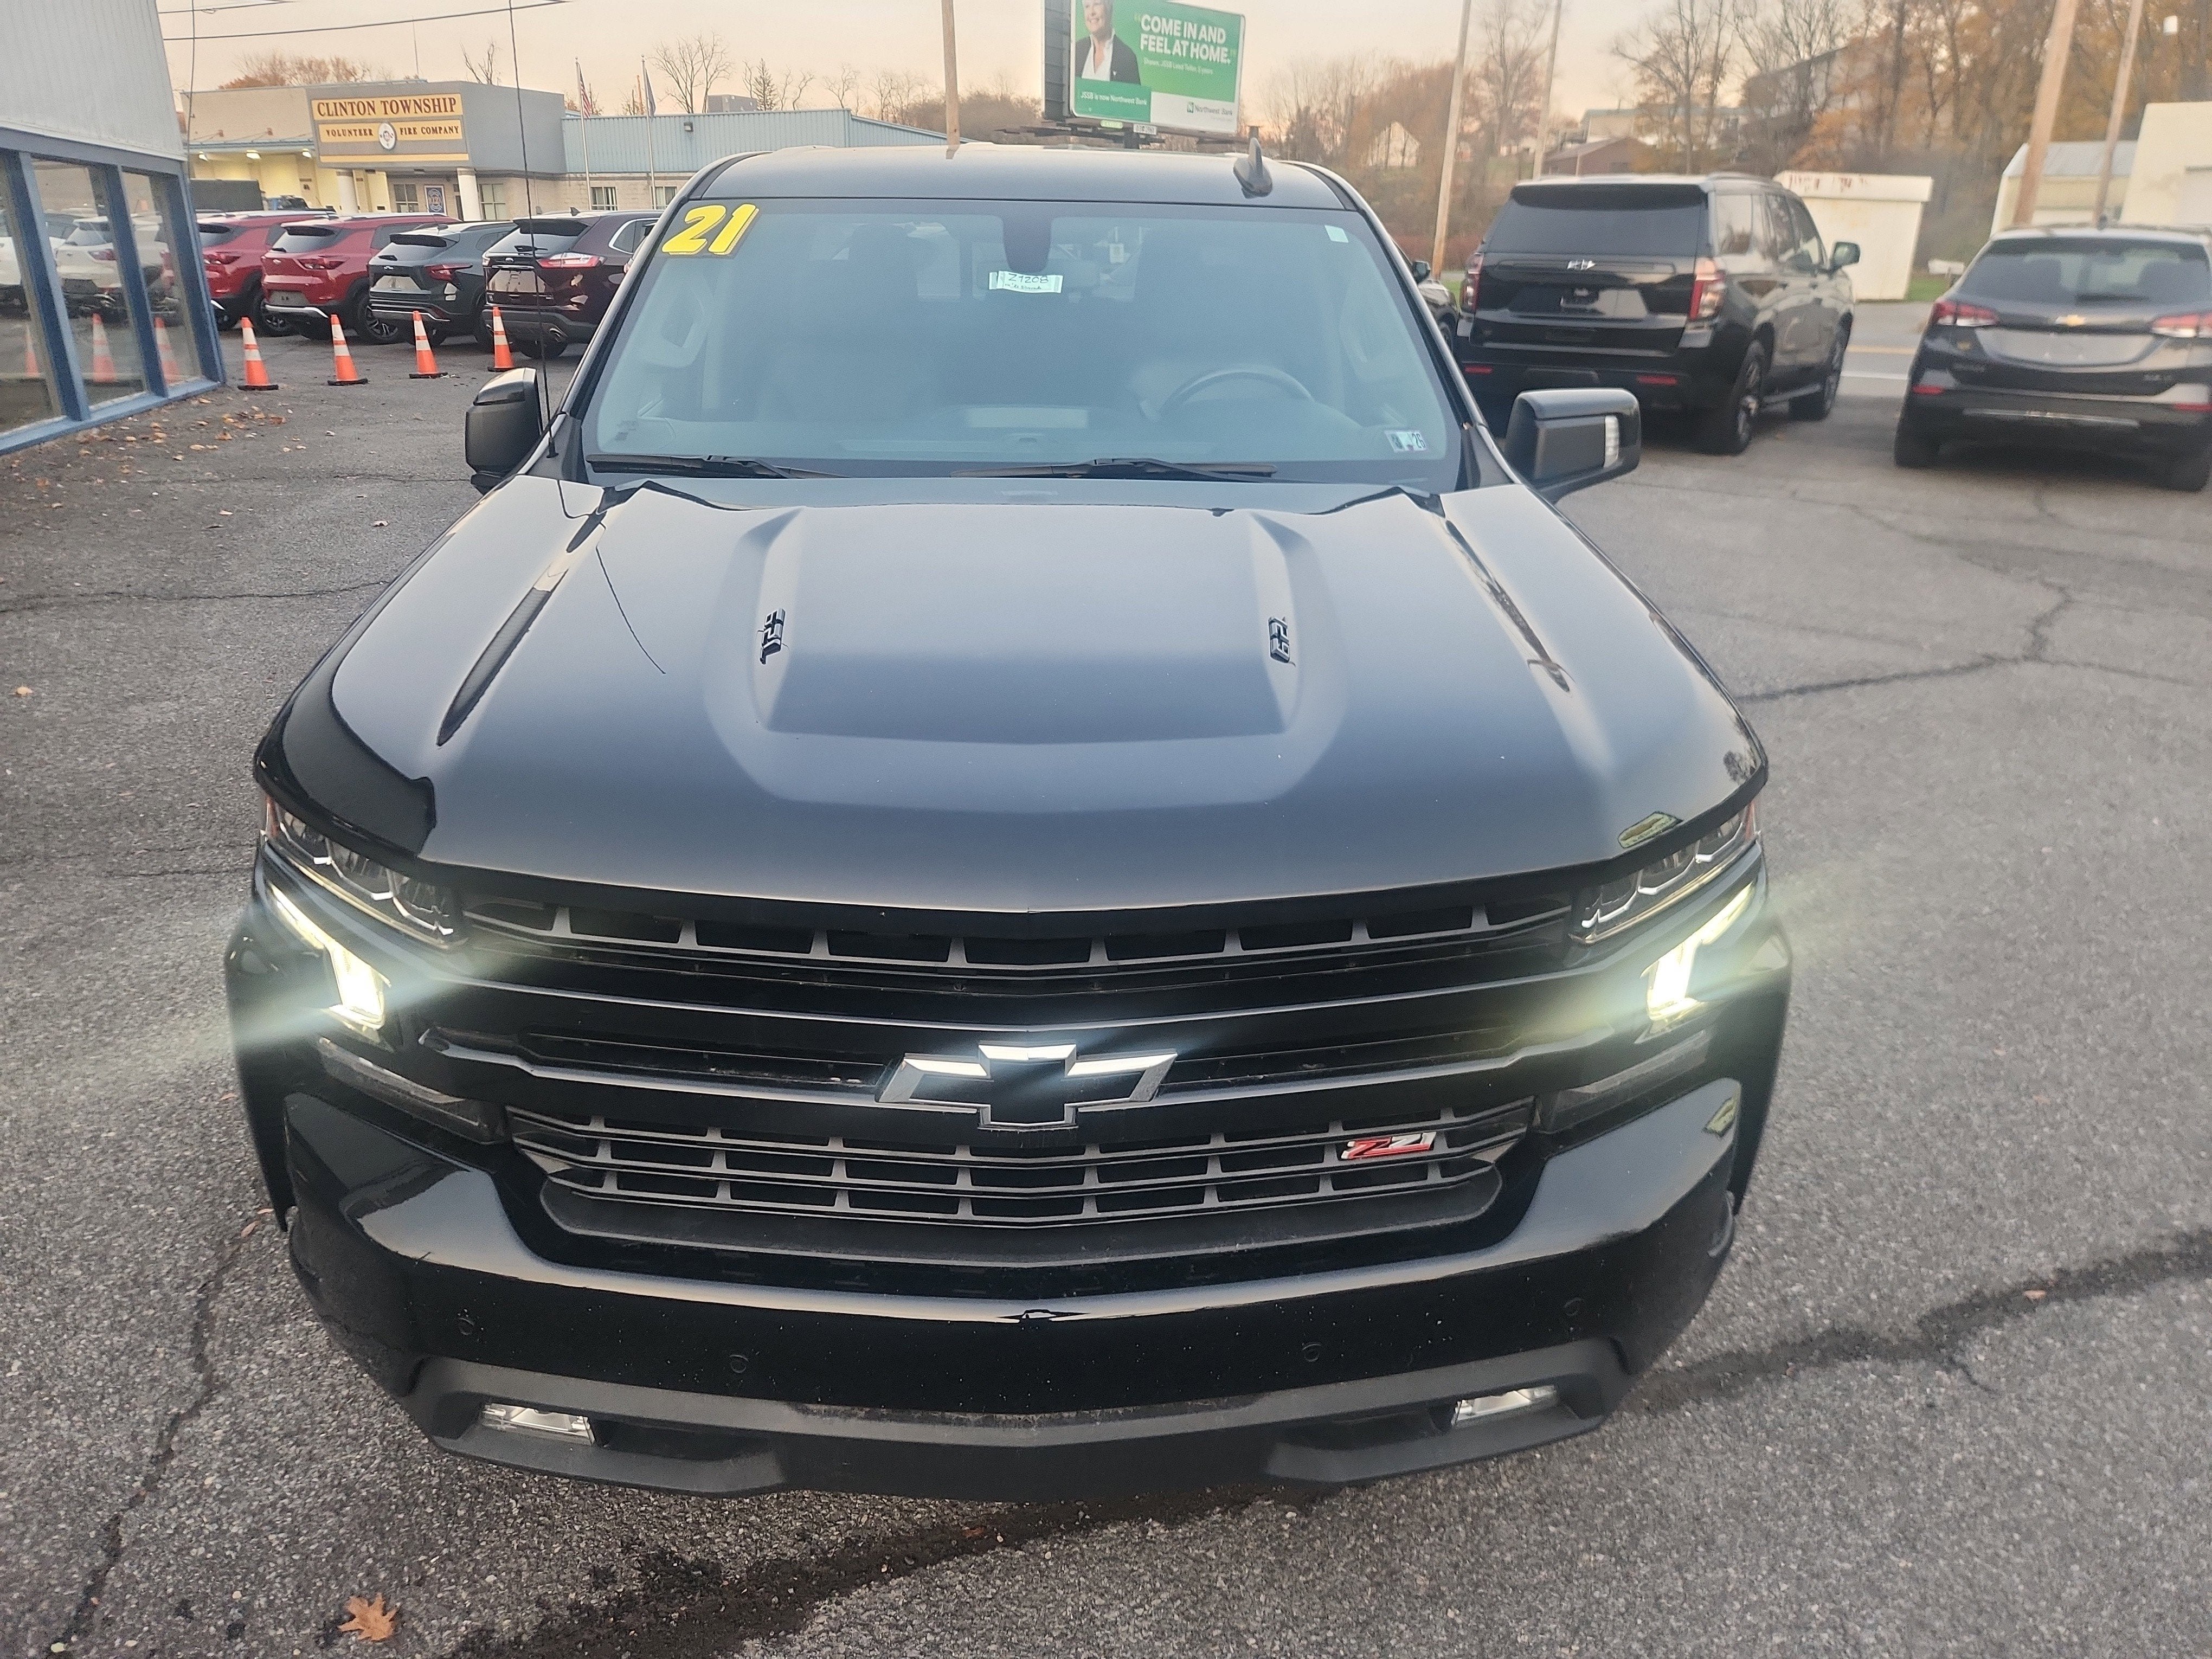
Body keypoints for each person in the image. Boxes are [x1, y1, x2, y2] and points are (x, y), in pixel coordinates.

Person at [1075, 0, 1141, 83]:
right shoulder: (1076, 50)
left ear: (1109, 8)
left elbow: (1133, 95)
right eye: (1087, 6)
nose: (1091, 12)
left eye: (1097, 4)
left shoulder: (1127, 57)